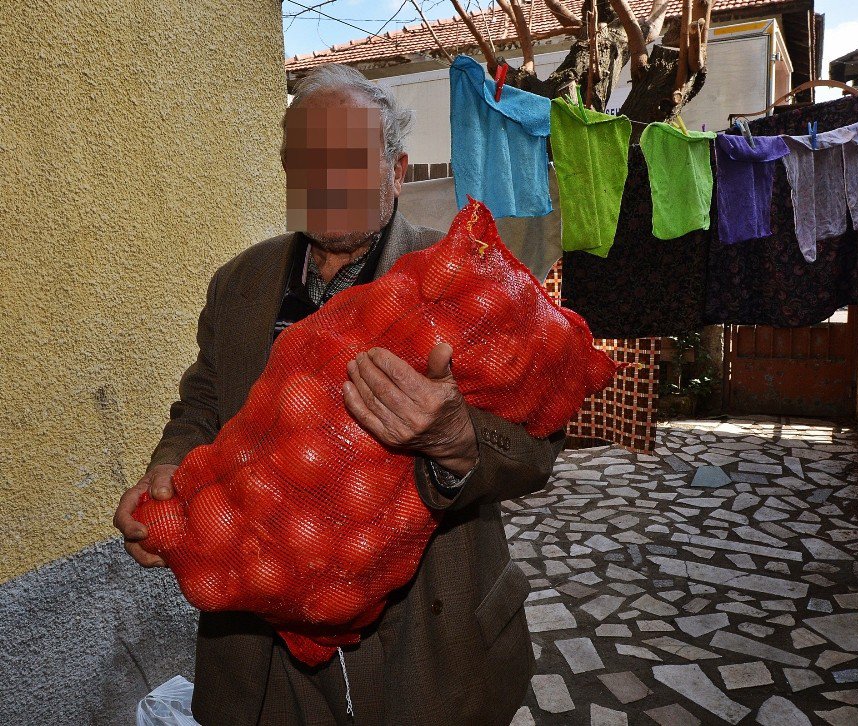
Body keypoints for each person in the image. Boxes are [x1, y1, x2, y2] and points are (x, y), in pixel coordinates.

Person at [113, 63, 563, 726]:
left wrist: (457, 439)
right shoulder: (240, 284)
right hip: (262, 642)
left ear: (398, 170)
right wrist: (171, 468)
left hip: (421, 633)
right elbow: (204, 399)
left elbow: (540, 445)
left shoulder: (470, 282)